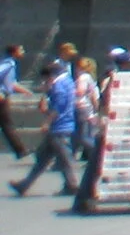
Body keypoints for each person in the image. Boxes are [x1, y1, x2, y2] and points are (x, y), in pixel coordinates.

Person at [9, 57, 78, 199]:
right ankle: (24, 185)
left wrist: (46, 121)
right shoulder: (68, 82)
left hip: (59, 128)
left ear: (50, 76)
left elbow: (57, 108)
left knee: (63, 158)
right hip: (64, 125)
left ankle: (72, 185)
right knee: (43, 160)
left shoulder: (58, 87)